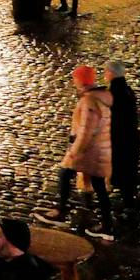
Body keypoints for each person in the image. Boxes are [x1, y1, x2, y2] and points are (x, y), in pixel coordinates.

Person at [40, 64, 114, 241]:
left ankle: (61, 212)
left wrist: (74, 152)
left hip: (89, 152)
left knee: (64, 174)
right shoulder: (100, 98)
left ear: (80, 80)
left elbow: (86, 130)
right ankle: (107, 225)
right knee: (98, 186)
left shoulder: (89, 101)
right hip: (99, 150)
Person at [107, 60, 140, 220]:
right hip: (130, 139)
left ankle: (129, 205)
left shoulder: (114, 93)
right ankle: (129, 202)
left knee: (122, 172)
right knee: (127, 173)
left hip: (119, 141)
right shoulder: (127, 90)